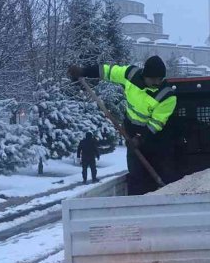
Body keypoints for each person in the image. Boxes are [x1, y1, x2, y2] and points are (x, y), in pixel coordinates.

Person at [68, 56, 177, 195]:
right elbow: (107, 71)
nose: (157, 83)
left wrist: (140, 138)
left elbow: (156, 123)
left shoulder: (167, 95)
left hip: (154, 137)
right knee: (136, 171)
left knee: (161, 168)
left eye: (160, 79)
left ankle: (166, 195)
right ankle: (136, 202)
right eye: (153, 79)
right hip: (131, 130)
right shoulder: (130, 75)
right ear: (145, 75)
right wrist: (84, 71)